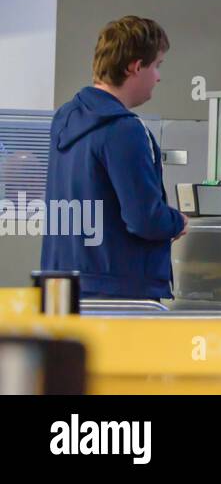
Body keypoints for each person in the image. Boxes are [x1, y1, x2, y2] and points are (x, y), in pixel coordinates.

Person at [41, 16, 187, 299]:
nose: (158, 77)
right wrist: (177, 221)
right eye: (156, 65)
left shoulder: (65, 119)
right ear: (135, 67)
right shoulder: (124, 129)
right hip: (118, 293)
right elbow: (144, 219)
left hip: (64, 290)